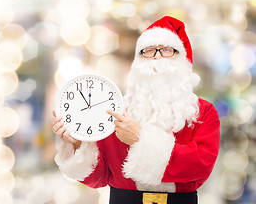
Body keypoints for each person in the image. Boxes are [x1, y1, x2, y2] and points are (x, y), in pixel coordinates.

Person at [52, 16, 220, 204]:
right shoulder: (116, 111)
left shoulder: (204, 113)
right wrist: (77, 145)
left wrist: (141, 138)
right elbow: (99, 177)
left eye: (166, 50)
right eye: (148, 51)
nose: (157, 56)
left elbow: (199, 167)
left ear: (182, 60)